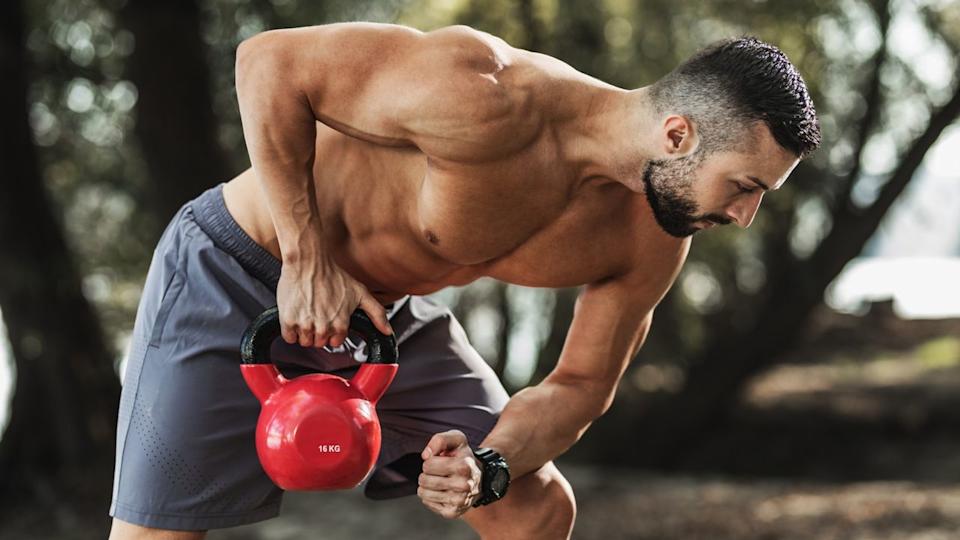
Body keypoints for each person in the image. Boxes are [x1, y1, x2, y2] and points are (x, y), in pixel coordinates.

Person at [108, 22, 820, 539]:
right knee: (156, 535)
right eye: (744, 186)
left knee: (536, 511)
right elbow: (267, 62)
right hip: (238, 268)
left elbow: (580, 386)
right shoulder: (486, 92)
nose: (744, 216)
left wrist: (490, 467)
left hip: (381, 322)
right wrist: (307, 259)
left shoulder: (654, 235)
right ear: (677, 135)